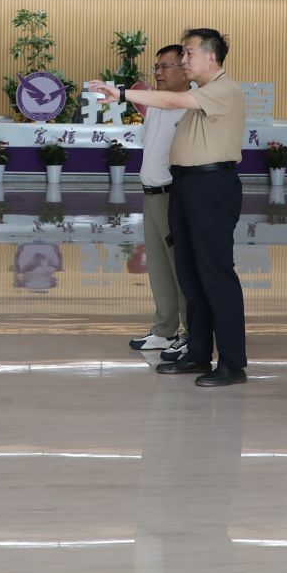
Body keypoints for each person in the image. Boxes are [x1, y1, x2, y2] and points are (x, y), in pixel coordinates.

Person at [86, 29, 248, 387]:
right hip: (186, 186)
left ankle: (233, 362)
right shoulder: (201, 94)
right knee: (189, 273)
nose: (184, 61)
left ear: (211, 57)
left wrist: (123, 93)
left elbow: (174, 101)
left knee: (215, 274)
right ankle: (198, 352)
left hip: (211, 187)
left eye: (189, 54)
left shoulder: (223, 89)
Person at [127, 45, 188, 354]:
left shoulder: (191, 106)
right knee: (159, 267)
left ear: (185, 69)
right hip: (151, 195)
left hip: (173, 196)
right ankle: (164, 329)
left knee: (181, 268)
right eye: (157, 67)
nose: (159, 73)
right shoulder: (155, 105)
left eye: (166, 66)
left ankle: (192, 333)